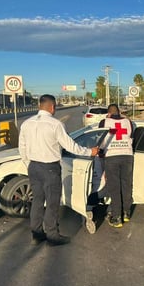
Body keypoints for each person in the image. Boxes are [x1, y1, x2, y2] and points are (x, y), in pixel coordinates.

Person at [19, 94, 98, 246]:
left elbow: (22, 147)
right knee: (52, 202)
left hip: (33, 167)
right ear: (53, 107)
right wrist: (90, 152)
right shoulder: (55, 125)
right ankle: (52, 235)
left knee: (37, 200)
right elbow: (71, 146)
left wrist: (28, 163)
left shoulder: (26, 123)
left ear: (39, 106)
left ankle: (36, 234)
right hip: (50, 168)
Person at [98, 104, 134, 228]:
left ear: (108, 113)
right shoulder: (128, 121)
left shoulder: (104, 122)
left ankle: (116, 217)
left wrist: (101, 152)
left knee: (114, 187)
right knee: (126, 184)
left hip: (112, 156)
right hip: (128, 155)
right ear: (119, 112)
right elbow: (131, 137)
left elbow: (101, 141)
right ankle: (126, 213)